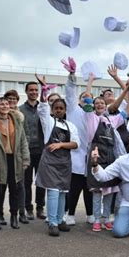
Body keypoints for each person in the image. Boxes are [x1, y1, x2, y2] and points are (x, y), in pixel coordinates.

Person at [84, 74, 129, 232]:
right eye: (96, 103)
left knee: (110, 191)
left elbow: (126, 111)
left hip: (111, 158)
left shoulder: (112, 120)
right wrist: (90, 82)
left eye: (101, 103)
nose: (99, 104)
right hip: (96, 157)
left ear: (106, 106)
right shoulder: (91, 118)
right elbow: (88, 99)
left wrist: (128, 90)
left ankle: (107, 219)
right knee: (97, 192)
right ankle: (97, 220)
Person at [34, 76, 79, 236]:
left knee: (62, 192)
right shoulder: (48, 122)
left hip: (64, 163)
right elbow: (42, 108)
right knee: (53, 192)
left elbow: (75, 144)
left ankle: (60, 220)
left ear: (65, 110)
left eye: (61, 108)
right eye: (56, 108)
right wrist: (43, 90)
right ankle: (52, 222)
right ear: (53, 110)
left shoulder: (70, 125)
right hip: (50, 163)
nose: (58, 110)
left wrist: (60, 144)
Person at [0, 97, 30, 230]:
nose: (4, 106)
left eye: (6, 103)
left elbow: (23, 142)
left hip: (15, 160)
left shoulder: (17, 121)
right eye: (1, 104)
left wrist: (26, 159)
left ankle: (14, 217)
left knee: (14, 190)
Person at [61, 57, 95, 226]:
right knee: (74, 189)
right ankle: (71, 213)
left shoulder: (93, 114)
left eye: (88, 98)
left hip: (90, 156)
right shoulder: (73, 110)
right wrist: (72, 75)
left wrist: (90, 82)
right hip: (75, 155)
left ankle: (90, 214)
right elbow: (70, 93)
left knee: (89, 188)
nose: (86, 99)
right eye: (83, 97)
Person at [19, 81, 46, 220]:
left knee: (41, 181)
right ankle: (28, 208)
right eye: (31, 90)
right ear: (26, 91)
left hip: (42, 150)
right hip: (26, 151)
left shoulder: (44, 108)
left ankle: (40, 208)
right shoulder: (20, 110)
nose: (34, 92)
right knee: (26, 181)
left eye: (36, 90)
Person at [3, 89, 29, 225]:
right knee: (3, 186)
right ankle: (2, 215)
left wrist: (25, 157)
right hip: (3, 156)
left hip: (18, 156)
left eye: (14, 99)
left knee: (20, 185)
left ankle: (21, 213)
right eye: (9, 99)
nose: (12, 101)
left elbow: (25, 137)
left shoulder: (20, 116)